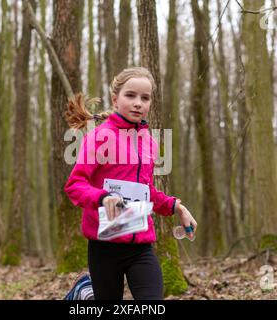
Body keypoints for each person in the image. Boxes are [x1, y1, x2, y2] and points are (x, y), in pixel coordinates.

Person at [64, 67, 197, 300]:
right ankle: (85, 293)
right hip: (104, 245)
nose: (138, 103)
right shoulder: (99, 137)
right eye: (131, 95)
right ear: (115, 100)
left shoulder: (149, 143)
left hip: (141, 246)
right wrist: (103, 198)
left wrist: (176, 206)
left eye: (145, 98)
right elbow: (75, 185)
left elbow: (146, 192)